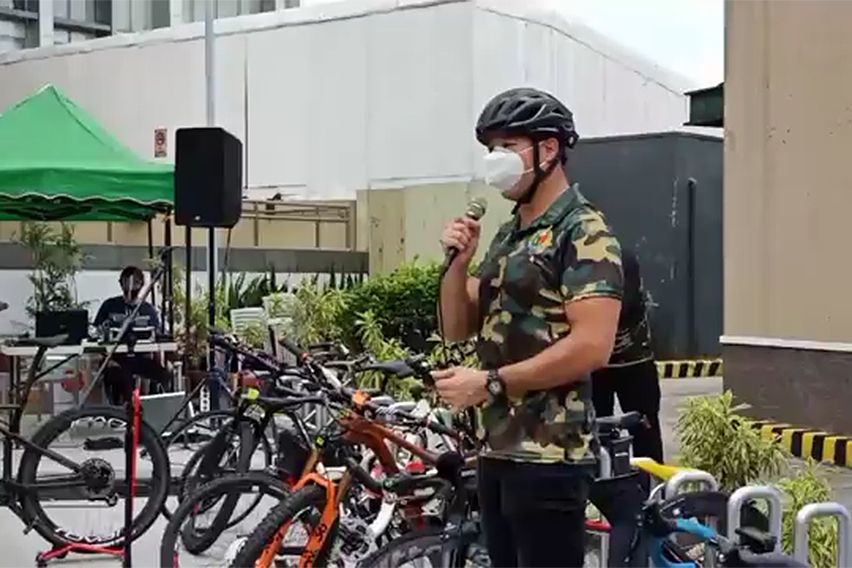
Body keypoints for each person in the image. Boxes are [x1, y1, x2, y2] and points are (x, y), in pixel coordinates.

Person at [432, 87, 624, 568]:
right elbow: (458, 328)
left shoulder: (582, 230)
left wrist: (490, 383)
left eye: (507, 146)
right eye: (490, 149)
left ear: (549, 149)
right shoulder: (510, 232)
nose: (496, 159)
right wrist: (458, 265)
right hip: (499, 452)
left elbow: (591, 347)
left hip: (550, 459)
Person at [591, 246, 664, 463]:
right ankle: (599, 489)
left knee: (645, 432)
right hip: (595, 364)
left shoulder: (620, 257)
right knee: (595, 433)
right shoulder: (572, 260)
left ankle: (651, 490)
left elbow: (624, 304)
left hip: (634, 361)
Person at [94, 266, 170, 404]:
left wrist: (160, 361)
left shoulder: (148, 310)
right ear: (120, 283)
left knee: (164, 375)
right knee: (121, 377)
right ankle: (123, 415)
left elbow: (157, 338)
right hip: (115, 360)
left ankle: (158, 411)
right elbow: (95, 332)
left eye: (135, 283)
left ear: (141, 285)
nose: (130, 287)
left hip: (140, 359)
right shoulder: (110, 306)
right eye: (126, 283)